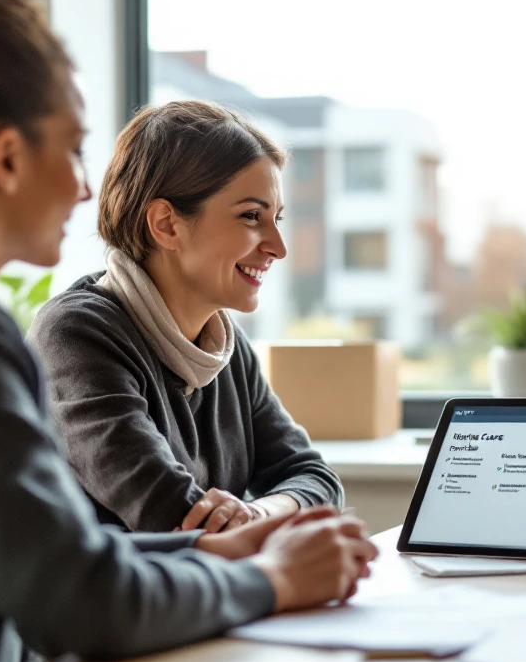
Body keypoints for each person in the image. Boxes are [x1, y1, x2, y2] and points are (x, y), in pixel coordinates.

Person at [0, 0, 376, 662]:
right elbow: (82, 601)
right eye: (71, 149)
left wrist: (226, 552)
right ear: (4, 158)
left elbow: (72, 556)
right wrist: (268, 578)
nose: (85, 187)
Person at [27, 100, 343, 534]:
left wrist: (259, 512)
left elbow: (317, 479)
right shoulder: (76, 334)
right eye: (251, 216)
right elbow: (167, 514)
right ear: (167, 224)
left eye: (277, 218)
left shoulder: (225, 348)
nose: (278, 247)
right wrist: (255, 520)